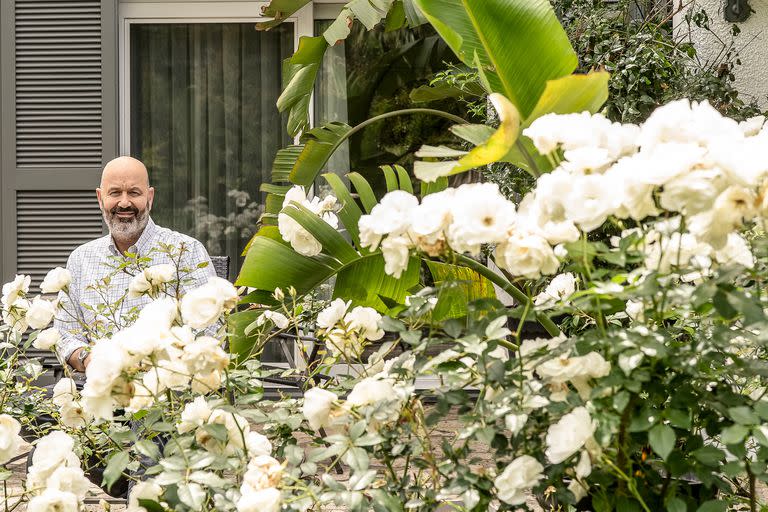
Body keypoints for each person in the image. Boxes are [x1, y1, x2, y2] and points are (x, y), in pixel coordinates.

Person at [54, 155, 216, 372]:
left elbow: (211, 332)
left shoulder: (186, 252)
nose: (124, 202)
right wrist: (88, 358)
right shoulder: (80, 259)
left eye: (134, 192)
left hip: (169, 394)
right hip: (100, 390)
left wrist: (157, 364)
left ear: (150, 197)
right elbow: (66, 335)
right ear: (100, 198)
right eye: (115, 193)